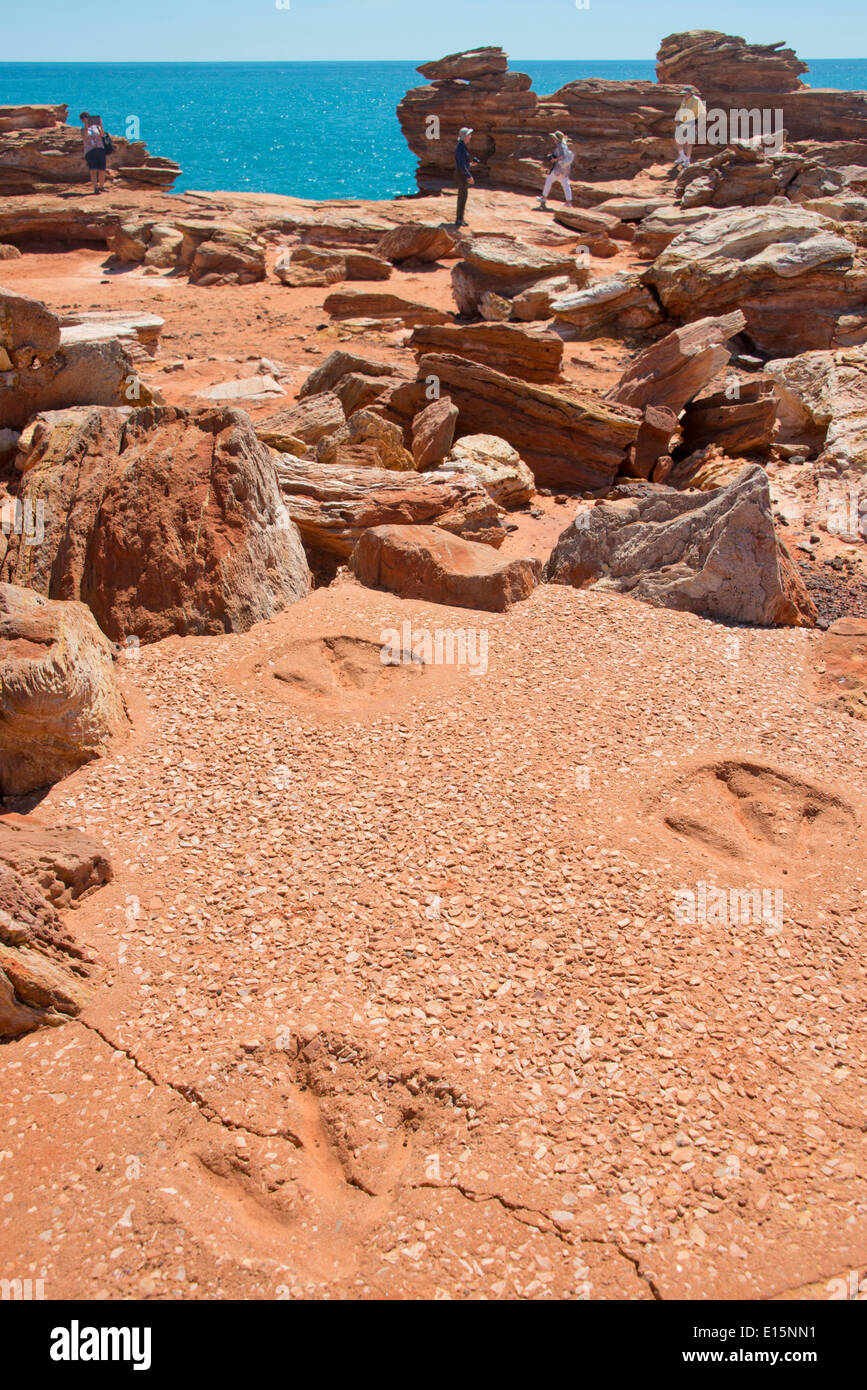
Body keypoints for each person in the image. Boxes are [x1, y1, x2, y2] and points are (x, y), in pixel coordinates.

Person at [536, 131, 574, 210]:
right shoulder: (564, 145)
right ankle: (569, 203)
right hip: (566, 169)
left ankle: (543, 199)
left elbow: (562, 155)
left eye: (554, 138)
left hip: (559, 168)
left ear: (557, 139)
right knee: (565, 184)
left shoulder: (560, 145)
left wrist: (554, 159)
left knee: (549, 180)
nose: (553, 139)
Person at [673, 86, 705, 171]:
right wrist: (677, 118)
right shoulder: (684, 99)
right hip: (682, 122)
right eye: (683, 93)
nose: (684, 94)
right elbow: (681, 109)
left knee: (689, 142)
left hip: (691, 122)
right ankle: (682, 157)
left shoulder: (696, 100)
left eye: (685, 93)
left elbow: (702, 112)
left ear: (690, 93)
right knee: (678, 140)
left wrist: (699, 123)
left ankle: (687, 160)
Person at [80, 111, 107, 194]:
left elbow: (102, 135)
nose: (85, 119)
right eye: (84, 118)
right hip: (90, 151)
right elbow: (85, 137)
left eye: (87, 117)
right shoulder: (83, 129)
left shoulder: (97, 127)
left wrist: (101, 125)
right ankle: (95, 188)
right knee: (93, 170)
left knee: (102, 169)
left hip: (100, 149)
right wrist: (86, 126)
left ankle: (101, 186)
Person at [454, 127, 476, 227]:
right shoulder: (461, 147)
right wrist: (469, 176)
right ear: (465, 136)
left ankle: (460, 218)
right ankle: (459, 220)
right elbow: (461, 165)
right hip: (461, 175)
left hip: (461, 173)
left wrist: (471, 164)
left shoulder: (462, 146)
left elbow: (463, 164)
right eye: (469, 135)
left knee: (463, 196)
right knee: (462, 197)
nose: (470, 136)